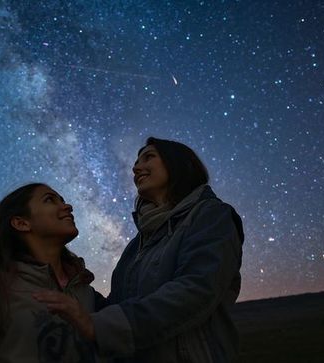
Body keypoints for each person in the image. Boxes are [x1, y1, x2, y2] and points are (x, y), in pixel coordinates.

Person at [34, 137, 245, 362]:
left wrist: (98, 326)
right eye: (136, 161)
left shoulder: (210, 215)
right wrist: (71, 281)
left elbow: (197, 289)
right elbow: (118, 304)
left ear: (178, 163)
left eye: (149, 157)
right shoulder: (138, 244)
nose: (135, 167)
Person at [0, 183, 101, 363]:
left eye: (62, 200)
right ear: (21, 223)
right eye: (50, 200)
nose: (67, 206)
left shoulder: (86, 291)